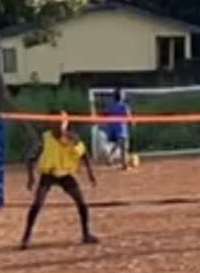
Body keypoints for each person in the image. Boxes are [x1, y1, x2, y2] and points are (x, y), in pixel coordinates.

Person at [21, 112, 99, 249]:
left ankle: (86, 234)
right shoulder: (45, 138)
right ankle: (26, 237)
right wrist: (31, 177)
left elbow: (84, 155)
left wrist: (91, 174)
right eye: (55, 122)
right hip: (48, 175)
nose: (58, 126)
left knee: (81, 203)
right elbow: (30, 158)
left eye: (61, 123)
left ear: (66, 123)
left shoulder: (72, 138)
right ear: (51, 124)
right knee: (37, 204)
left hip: (65, 174)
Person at [105, 88, 132, 170]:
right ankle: (124, 165)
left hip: (112, 128)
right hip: (121, 129)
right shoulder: (124, 106)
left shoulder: (110, 106)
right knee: (124, 146)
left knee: (118, 144)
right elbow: (128, 117)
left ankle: (110, 157)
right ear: (121, 96)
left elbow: (107, 115)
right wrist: (132, 123)